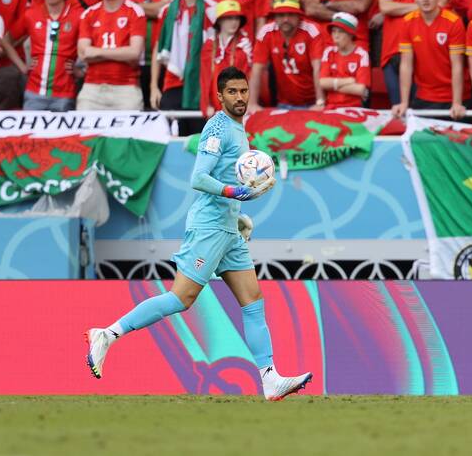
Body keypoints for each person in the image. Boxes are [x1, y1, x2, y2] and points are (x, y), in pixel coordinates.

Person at [85, 66, 313, 402]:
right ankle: (107, 334)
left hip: (227, 229)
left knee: (253, 301)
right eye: (232, 92)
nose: (239, 97)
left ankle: (270, 379)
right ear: (219, 96)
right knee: (182, 298)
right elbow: (199, 178)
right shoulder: (217, 128)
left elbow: (224, 177)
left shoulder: (238, 129)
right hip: (208, 228)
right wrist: (235, 194)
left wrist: (238, 216)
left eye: (243, 91)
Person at [378, 0, 449, 107]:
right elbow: (385, 7)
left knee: (421, 109)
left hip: (425, 52)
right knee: (399, 107)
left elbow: (441, 3)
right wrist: (424, 7)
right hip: (393, 49)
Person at [151, 0, 216, 125]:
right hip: (173, 81)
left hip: (201, 84)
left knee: (199, 136)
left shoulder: (213, 10)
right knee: (171, 134)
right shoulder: (167, 11)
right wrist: (154, 87)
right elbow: (158, 48)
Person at [393, 0, 467, 119]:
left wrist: (457, 102)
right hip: (424, 95)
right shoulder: (407, 22)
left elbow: (457, 65)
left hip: (454, 97)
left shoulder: (453, 22)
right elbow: (406, 64)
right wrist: (404, 102)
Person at [8, 0, 82, 111]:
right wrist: (22, 66)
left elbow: (92, 41)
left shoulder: (78, 16)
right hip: (34, 91)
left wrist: (81, 69)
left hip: (65, 92)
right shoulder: (31, 14)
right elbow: (6, 40)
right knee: (30, 127)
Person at [77, 0, 145, 110]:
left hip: (126, 88)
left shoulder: (135, 11)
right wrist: (121, 53)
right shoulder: (89, 14)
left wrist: (97, 52)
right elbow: (84, 54)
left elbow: (134, 53)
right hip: (92, 88)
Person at [124, 0, 178, 106]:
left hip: (164, 60)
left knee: (161, 109)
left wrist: (136, 7)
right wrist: (159, 5)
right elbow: (127, 12)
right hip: (133, 62)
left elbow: (163, 11)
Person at [250, 0, 325, 109]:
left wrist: (320, 102)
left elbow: (318, 69)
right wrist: (252, 103)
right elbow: (256, 69)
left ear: (299, 16)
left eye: (290, 14)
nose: (285, 19)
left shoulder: (312, 31)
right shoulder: (266, 32)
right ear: (274, 17)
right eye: (281, 15)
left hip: (312, 103)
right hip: (283, 104)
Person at [200, 0, 252, 117]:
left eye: (236, 18)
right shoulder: (209, 45)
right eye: (229, 18)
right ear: (219, 21)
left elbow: (246, 80)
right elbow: (205, 78)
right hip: (214, 110)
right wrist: (206, 104)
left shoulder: (244, 45)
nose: (234, 22)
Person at [319, 12, 371, 108]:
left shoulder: (362, 54)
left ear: (351, 34)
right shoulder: (329, 52)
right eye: (334, 31)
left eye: (340, 32)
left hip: (354, 108)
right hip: (330, 107)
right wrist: (349, 81)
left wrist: (331, 85)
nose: (336, 36)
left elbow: (360, 89)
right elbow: (322, 83)